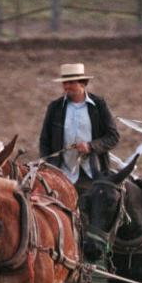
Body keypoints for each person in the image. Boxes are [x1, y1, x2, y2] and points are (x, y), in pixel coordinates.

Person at [39, 63, 120, 194]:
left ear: (83, 83)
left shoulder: (99, 105)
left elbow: (113, 137)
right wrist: (48, 166)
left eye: (71, 82)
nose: (66, 86)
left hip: (94, 175)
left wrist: (90, 146)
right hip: (61, 175)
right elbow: (45, 141)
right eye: (64, 83)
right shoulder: (55, 108)